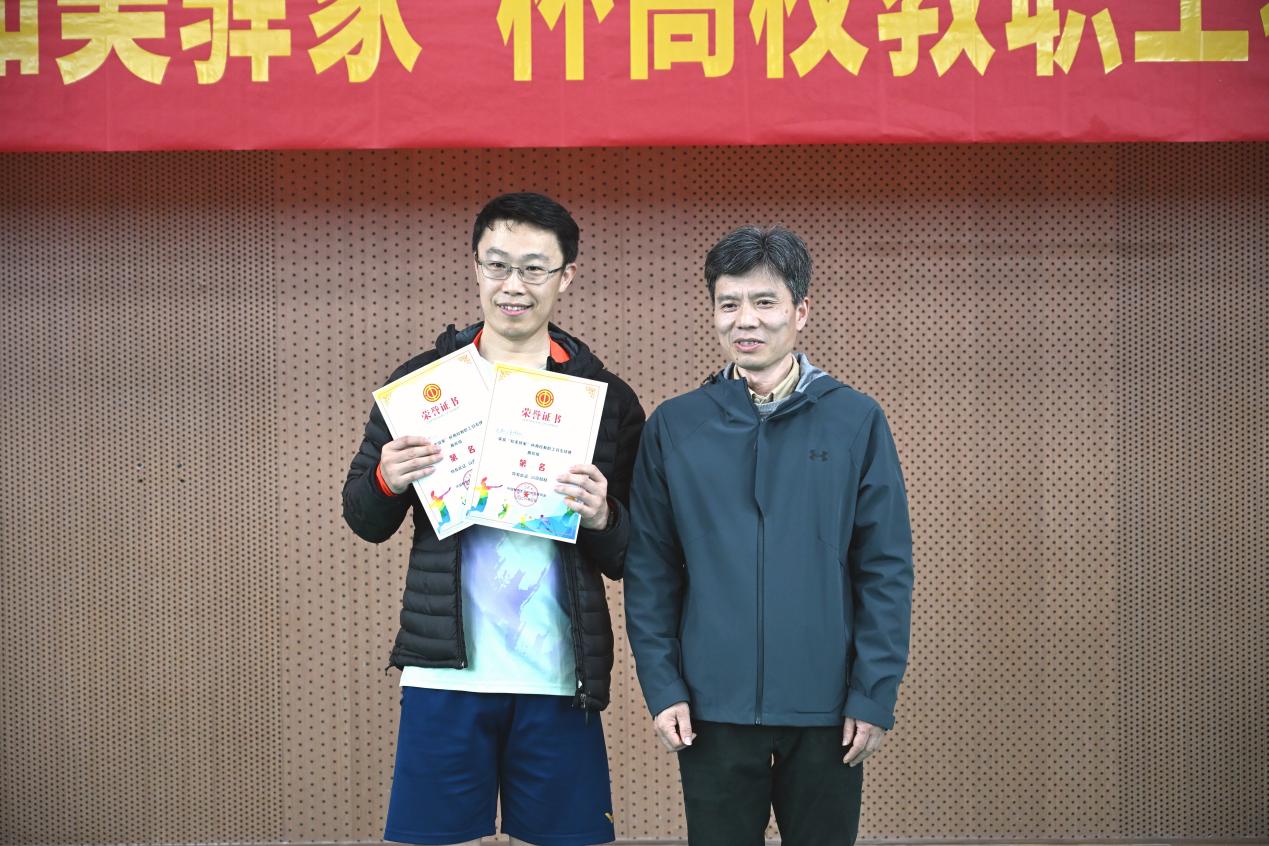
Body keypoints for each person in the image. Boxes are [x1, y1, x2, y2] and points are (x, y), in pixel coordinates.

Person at [343, 192, 644, 846]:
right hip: (443, 672)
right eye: (498, 265)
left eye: (534, 269)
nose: (514, 285)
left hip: (558, 677)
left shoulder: (606, 400)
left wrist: (603, 516)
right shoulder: (421, 385)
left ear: (566, 276)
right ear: (476, 267)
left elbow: (629, 554)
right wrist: (387, 478)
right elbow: (364, 518)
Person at [624, 225, 913, 846]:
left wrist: (872, 695)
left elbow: (884, 568)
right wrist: (664, 687)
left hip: (828, 710)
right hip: (711, 710)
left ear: (800, 310)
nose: (745, 320)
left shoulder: (855, 419)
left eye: (764, 302)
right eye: (728, 304)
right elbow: (651, 568)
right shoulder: (675, 425)